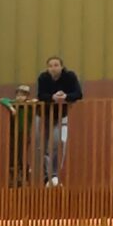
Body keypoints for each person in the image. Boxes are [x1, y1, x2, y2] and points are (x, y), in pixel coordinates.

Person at [35, 56, 83, 185]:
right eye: (50, 66)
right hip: (43, 115)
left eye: (56, 65)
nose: (53, 68)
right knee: (41, 146)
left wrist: (66, 97)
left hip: (60, 116)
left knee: (57, 144)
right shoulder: (43, 77)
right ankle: (46, 176)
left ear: (61, 67)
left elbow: (78, 94)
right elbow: (40, 95)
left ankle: (54, 174)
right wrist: (53, 97)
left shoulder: (70, 76)